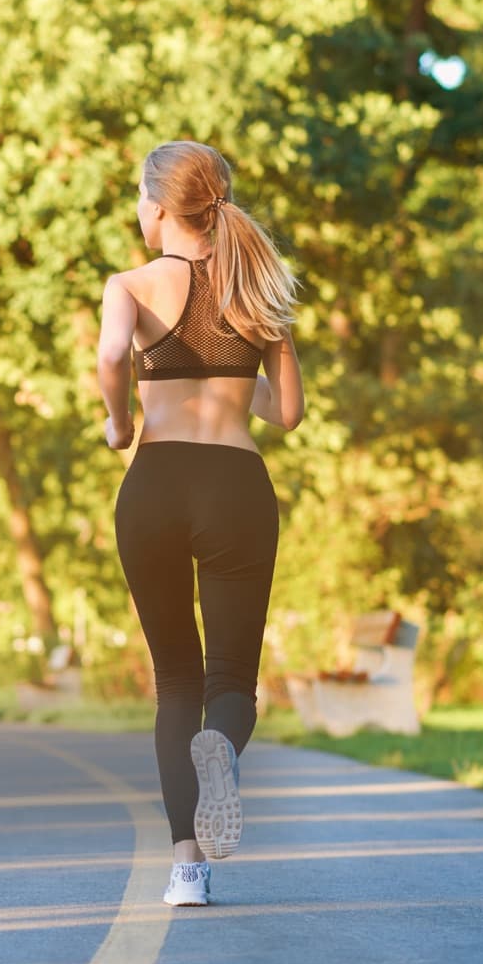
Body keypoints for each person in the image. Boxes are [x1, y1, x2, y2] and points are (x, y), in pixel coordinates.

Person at [96, 140, 303, 907]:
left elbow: (113, 353)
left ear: (157, 207)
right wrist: (231, 380)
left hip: (154, 484)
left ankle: (187, 868)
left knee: (174, 679)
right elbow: (287, 412)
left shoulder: (131, 284)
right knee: (229, 683)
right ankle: (222, 748)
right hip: (235, 485)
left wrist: (119, 423)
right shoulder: (260, 286)